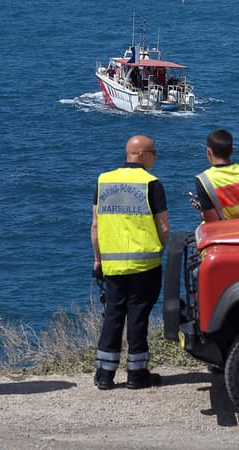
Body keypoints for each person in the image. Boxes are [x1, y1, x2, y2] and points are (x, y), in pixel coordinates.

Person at [91, 135, 169, 390]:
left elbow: (95, 225)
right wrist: (160, 249)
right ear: (142, 155)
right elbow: (164, 228)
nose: (155, 157)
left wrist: (98, 259)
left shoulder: (104, 181)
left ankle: (104, 374)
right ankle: (137, 374)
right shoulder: (151, 184)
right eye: (154, 153)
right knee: (138, 316)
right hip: (145, 265)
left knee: (113, 314)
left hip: (112, 264)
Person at [193, 129, 239, 222]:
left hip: (224, 234)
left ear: (208, 151)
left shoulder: (204, 180)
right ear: (232, 151)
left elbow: (212, 222)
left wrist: (202, 210)